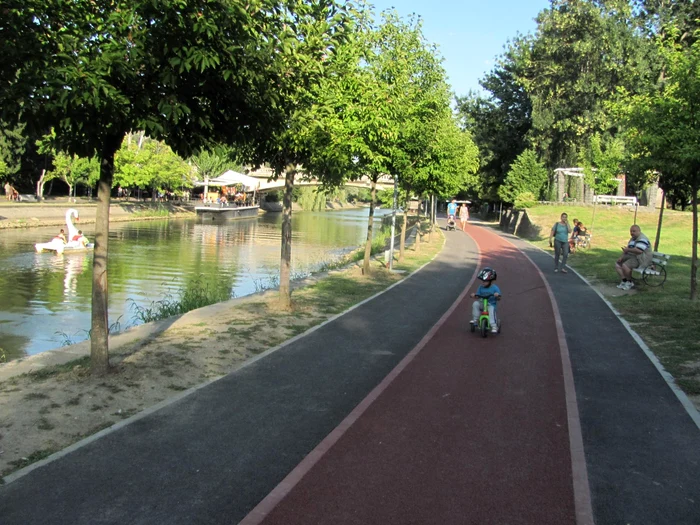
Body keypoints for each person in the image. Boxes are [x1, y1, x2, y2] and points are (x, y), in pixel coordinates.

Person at [616, 224, 653, 290]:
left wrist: (628, 250)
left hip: (641, 259)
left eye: (634, 231)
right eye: (631, 231)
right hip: (634, 256)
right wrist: (621, 257)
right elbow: (628, 249)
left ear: (639, 231)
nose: (632, 233)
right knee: (618, 264)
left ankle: (630, 282)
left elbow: (639, 251)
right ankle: (624, 281)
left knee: (625, 266)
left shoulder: (642, 239)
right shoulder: (632, 239)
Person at [470, 267, 501, 333]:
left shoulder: (495, 288)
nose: (483, 283)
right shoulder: (481, 287)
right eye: (483, 281)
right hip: (482, 303)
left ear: (491, 281)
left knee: (491, 311)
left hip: (490, 305)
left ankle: (494, 325)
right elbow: (477, 296)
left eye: (485, 281)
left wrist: (497, 295)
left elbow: (499, 298)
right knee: (475, 304)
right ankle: (475, 319)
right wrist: (474, 295)